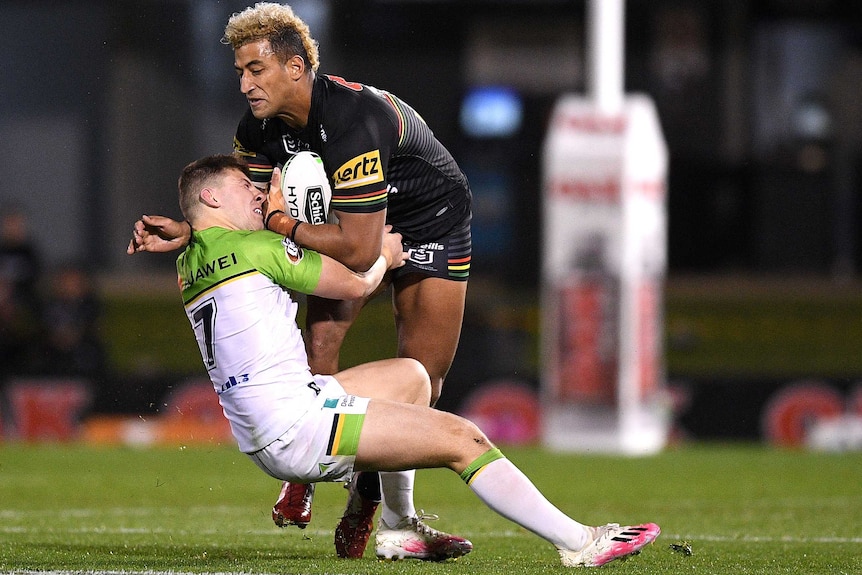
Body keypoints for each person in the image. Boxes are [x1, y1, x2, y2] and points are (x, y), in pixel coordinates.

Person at [165, 153, 660, 567]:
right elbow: (356, 284)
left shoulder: (189, 258)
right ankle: (580, 543)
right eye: (243, 186)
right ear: (211, 198)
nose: (257, 192)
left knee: (413, 378)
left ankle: (400, 528)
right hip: (299, 425)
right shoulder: (257, 245)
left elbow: (204, 236)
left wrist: (188, 227)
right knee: (464, 439)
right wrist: (384, 253)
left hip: (276, 418)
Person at [127, 1, 473, 560]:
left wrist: (287, 224)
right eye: (239, 71)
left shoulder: (354, 118)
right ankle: (309, 475)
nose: (243, 83)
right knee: (320, 345)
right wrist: (191, 231)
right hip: (344, 222)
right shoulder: (257, 129)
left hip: (428, 219)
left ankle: (366, 505)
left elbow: (361, 252)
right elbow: (238, 213)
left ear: (295, 67)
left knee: (425, 380)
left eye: (254, 70)